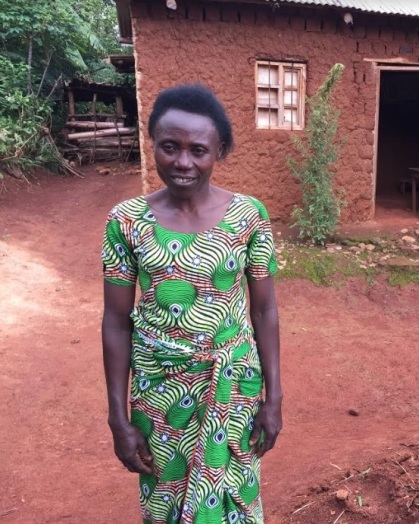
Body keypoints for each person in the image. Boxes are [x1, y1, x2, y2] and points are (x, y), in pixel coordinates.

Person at [101, 84, 282, 524]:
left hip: (233, 387)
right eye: (170, 147)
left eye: (198, 150)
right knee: (165, 494)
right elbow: (116, 321)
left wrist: (273, 397)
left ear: (218, 151)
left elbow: (264, 311)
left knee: (236, 492)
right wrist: (117, 418)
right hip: (161, 393)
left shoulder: (249, 216)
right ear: (154, 145)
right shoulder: (125, 222)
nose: (183, 162)